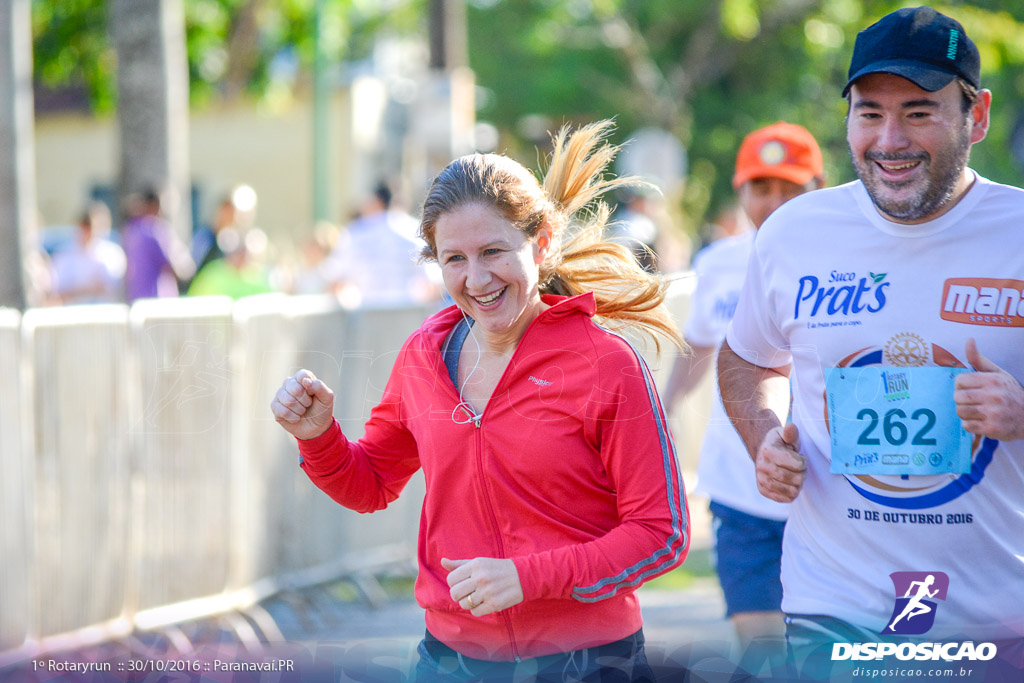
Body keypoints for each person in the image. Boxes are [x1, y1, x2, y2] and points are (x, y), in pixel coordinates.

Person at [272, 120, 690, 681]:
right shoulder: (424, 355)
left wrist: (528, 576)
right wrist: (318, 435)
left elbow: (661, 534)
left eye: (494, 251)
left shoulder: (606, 363)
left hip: (587, 660)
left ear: (541, 243)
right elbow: (370, 484)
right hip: (451, 659)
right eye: (454, 259)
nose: (476, 279)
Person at [718, 5, 1024, 664]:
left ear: (978, 115)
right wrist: (765, 436)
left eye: (919, 112)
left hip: (998, 617)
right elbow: (745, 359)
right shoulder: (795, 233)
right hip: (837, 610)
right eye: (869, 113)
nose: (891, 140)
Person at [664, 122, 824, 653]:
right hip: (740, 489)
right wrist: (660, 412)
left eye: (789, 188)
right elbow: (699, 347)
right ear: (742, 193)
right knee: (762, 652)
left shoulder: (849, 260)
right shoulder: (717, 264)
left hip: (829, 493)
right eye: (761, 188)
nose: (774, 202)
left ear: (817, 189)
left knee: (821, 647)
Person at [329, 183, 440, 308]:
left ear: (376, 202)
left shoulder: (355, 232)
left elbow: (335, 280)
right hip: (407, 313)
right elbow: (434, 284)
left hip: (366, 313)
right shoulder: (414, 231)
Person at [121, 188, 195, 303]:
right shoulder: (154, 230)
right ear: (155, 206)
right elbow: (168, 265)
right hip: (157, 298)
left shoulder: (131, 231)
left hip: (136, 298)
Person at [50, 201, 127, 304]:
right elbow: (57, 293)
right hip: (73, 315)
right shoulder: (64, 254)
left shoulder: (112, 253)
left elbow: (113, 287)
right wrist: (87, 289)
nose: (88, 232)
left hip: (105, 314)